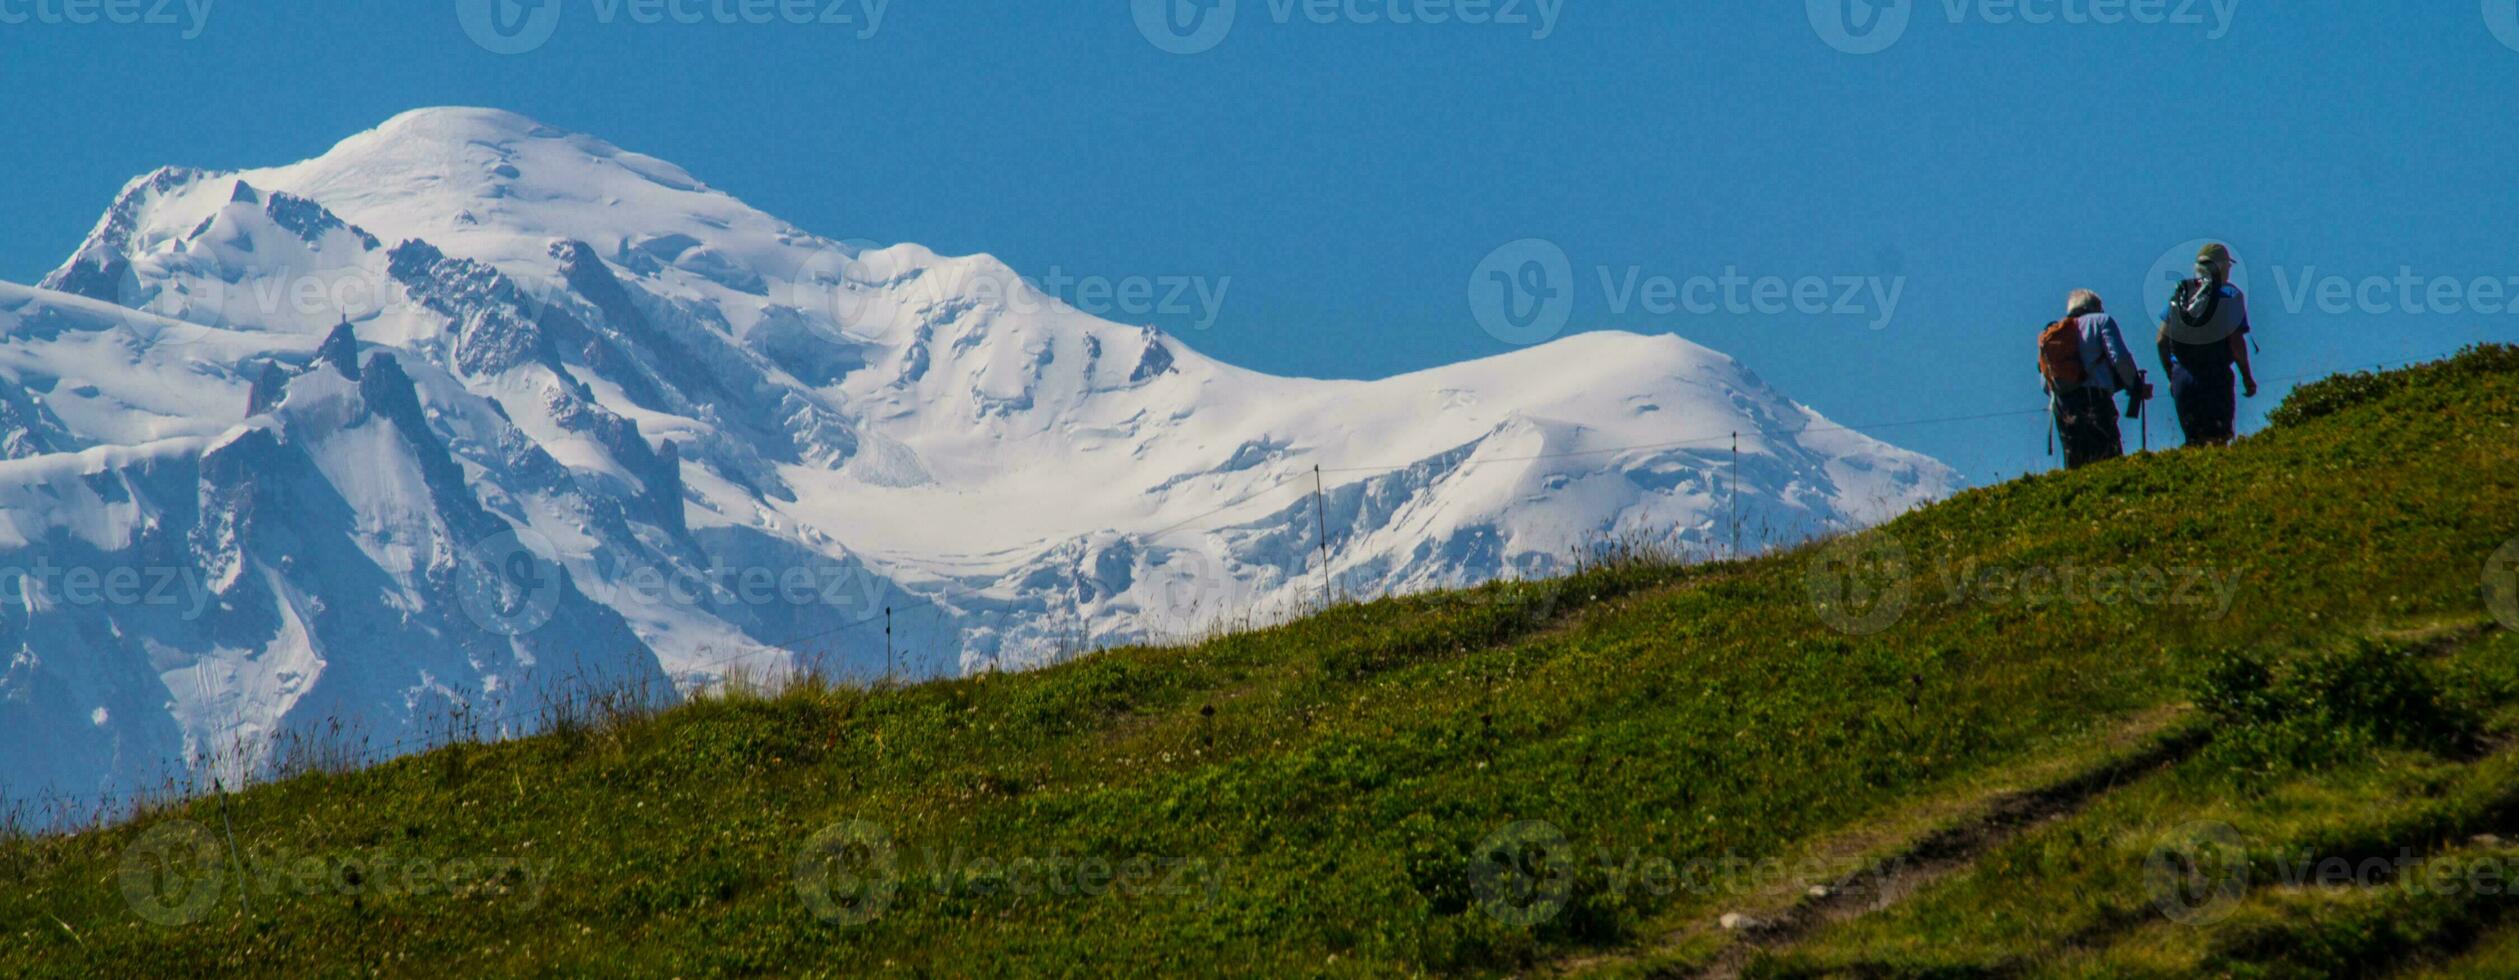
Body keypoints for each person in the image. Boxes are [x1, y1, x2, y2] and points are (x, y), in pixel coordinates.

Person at [2157, 243, 2259, 447]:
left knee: (2193, 442)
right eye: (2228, 266)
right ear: (2221, 267)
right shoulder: (2231, 295)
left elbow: (2160, 340)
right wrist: (2247, 376)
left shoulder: (2182, 294)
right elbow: (2236, 343)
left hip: (2183, 376)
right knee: (2218, 440)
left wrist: (2171, 374)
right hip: (2215, 376)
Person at [2041, 289, 2145, 469]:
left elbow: (2045, 383)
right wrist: (2134, 384)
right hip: (2095, 398)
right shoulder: (2100, 321)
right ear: (2095, 307)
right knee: (2108, 459)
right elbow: (2119, 358)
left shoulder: (2055, 333)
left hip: (2062, 405)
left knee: (2076, 463)